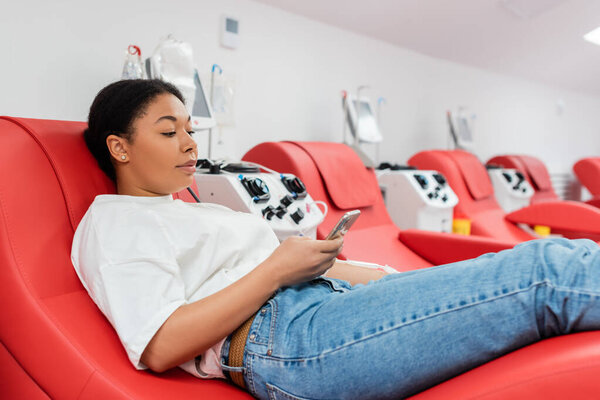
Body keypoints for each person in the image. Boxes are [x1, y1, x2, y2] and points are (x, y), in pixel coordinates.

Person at [72, 79, 600, 400]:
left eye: (190, 128)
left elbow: (285, 267)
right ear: (119, 147)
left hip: (323, 307)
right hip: (290, 343)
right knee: (546, 271)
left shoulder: (188, 207)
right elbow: (161, 345)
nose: (190, 143)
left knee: (538, 268)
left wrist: (390, 281)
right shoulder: (117, 221)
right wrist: (278, 269)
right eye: (170, 132)